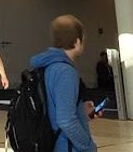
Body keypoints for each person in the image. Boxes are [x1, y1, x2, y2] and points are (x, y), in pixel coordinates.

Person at [33, 15, 98, 152]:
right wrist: (88, 146)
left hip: (52, 143)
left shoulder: (48, 66)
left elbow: (54, 107)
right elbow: (66, 120)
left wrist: (81, 110)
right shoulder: (65, 72)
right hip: (65, 146)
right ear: (78, 41)